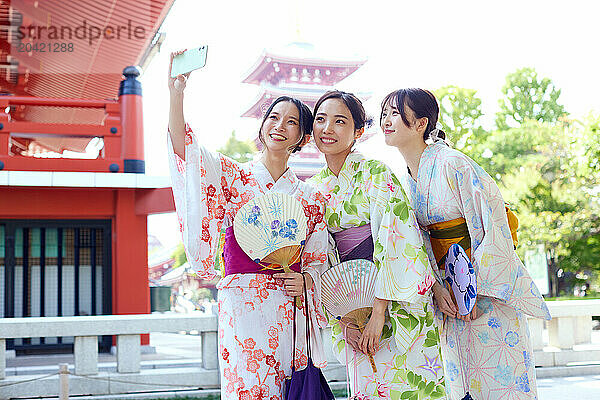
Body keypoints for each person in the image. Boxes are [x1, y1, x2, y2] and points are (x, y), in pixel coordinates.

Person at [167, 51, 329, 400]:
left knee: (288, 384)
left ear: (301, 137)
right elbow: (187, 153)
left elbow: (318, 260)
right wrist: (176, 92)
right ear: (262, 125)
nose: (279, 126)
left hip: (288, 303)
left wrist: (305, 280)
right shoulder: (234, 177)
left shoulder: (309, 197)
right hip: (242, 300)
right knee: (246, 385)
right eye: (273, 117)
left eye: (290, 122)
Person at [381, 88, 550, 400]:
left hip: (485, 297)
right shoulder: (407, 179)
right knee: (463, 388)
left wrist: (472, 293)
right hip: (450, 299)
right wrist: (438, 288)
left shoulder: (453, 164)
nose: (386, 121)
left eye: (394, 113)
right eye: (385, 114)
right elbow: (417, 244)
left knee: (501, 386)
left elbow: (492, 226)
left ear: (420, 123)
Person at [308, 90, 446, 399]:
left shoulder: (376, 173)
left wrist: (379, 312)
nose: (327, 128)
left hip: (394, 305)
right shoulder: (312, 189)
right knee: (369, 389)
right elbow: (320, 259)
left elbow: (397, 240)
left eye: (339, 121)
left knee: (412, 387)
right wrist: (347, 318)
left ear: (358, 131)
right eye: (320, 119)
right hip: (351, 312)